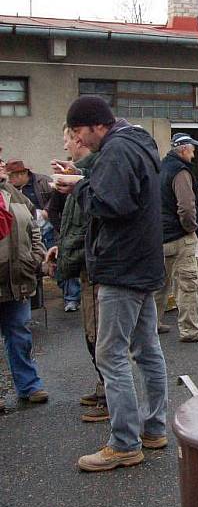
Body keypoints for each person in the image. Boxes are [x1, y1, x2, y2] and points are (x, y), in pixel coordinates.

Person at [59, 95, 168, 472]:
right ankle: (153, 427)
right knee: (147, 349)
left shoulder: (118, 150)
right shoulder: (135, 143)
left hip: (121, 268)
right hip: (142, 264)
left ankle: (124, 443)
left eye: (76, 132)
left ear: (94, 126)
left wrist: (78, 188)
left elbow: (112, 204)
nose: (76, 139)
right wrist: (86, 179)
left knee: (111, 355)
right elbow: (123, 195)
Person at [45, 126, 109, 422]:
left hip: (97, 268)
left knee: (101, 336)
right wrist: (62, 247)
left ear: (79, 140)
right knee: (91, 332)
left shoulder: (96, 174)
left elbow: (92, 227)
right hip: (86, 266)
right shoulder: (78, 178)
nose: (65, 147)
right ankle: (103, 388)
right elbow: (71, 222)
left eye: (67, 140)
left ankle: (111, 399)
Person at [154, 133, 198, 343]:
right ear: (183, 149)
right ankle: (190, 330)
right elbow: (186, 208)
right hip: (180, 236)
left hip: (161, 235)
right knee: (188, 285)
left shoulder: (162, 167)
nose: (195, 152)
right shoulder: (181, 171)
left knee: (160, 284)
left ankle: (151, 324)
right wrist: (191, 229)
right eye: (192, 148)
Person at [0, 159, 48, 413]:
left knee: (19, 333)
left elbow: (34, 228)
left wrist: (36, 256)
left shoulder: (15, 195)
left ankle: (29, 385)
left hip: (17, 276)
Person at [45, 131, 84, 313]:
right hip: (67, 232)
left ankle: (73, 297)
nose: (65, 145)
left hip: (81, 237)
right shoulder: (61, 186)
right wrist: (62, 230)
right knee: (67, 262)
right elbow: (52, 210)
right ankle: (71, 298)